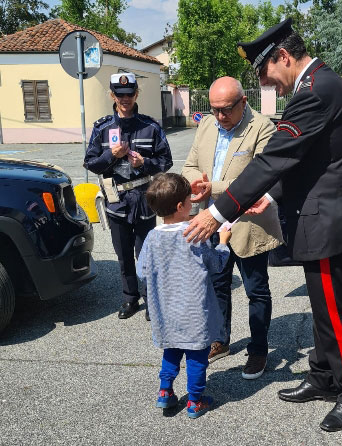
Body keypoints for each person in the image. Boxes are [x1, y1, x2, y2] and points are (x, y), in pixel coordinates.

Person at [184, 19, 342, 432]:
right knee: (323, 308)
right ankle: (323, 377)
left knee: (334, 314)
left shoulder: (315, 91)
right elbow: (306, 159)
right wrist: (269, 197)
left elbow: (273, 159)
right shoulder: (320, 84)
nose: (271, 85)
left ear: (283, 57)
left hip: (328, 223)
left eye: (267, 73)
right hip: (324, 216)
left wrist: (218, 212)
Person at [181, 76, 282, 379]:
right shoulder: (207, 125)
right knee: (216, 285)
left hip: (249, 224)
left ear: (243, 102)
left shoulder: (263, 127)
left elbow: (259, 178)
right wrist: (194, 182)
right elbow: (189, 164)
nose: (220, 117)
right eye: (214, 110)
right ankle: (220, 340)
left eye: (226, 109)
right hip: (211, 222)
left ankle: (259, 350)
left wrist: (212, 187)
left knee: (256, 290)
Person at [137, 173, 231, 419]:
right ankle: (194, 401)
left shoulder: (152, 237)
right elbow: (216, 264)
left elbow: (142, 271)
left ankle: (165, 393)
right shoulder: (195, 235)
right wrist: (222, 242)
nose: (192, 203)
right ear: (181, 206)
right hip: (193, 312)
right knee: (197, 357)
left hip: (166, 311)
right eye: (190, 200)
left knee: (171, 352)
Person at [84, 73, 172, 320]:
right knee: (124, 256)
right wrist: (112, 156)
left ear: (136, 94)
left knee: (145, 255)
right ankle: (130, 299)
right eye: (119, 94)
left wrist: (145, 162)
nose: (125, 99)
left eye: (129, 94)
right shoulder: (102, 128)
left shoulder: (150, 126)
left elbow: (166, 161)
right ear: (112, 95)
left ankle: (151, 300)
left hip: (144, 200)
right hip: (116, 201)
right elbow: (90, 163)